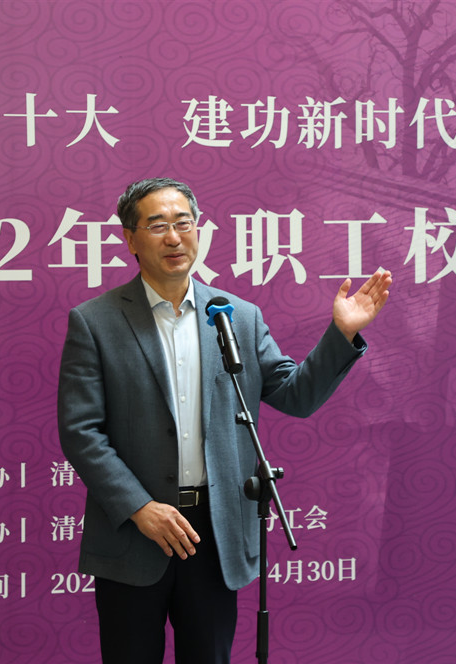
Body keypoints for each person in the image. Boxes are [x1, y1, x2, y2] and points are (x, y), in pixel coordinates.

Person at [57, 177, 392, 663]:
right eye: (158, 226)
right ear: (130, 239)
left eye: (184, 223)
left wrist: (340, 334)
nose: (174, 237)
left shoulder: (236, 316)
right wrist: (139, 507)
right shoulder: (95, 321)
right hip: (135, 531)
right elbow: (81, 431)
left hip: (214, 532)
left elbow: (295, 395)